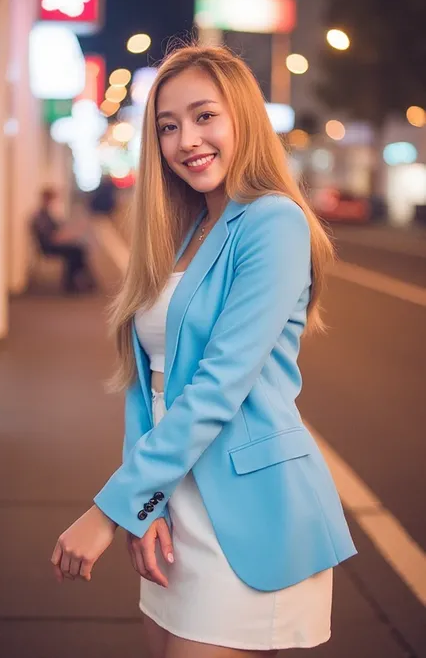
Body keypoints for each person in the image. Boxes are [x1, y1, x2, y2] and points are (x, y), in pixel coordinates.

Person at [51, 45, 356, 657]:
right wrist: (144, 503)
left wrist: (110, 510)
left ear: (242, 117)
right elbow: (146, 382)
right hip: (170, 500)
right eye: (168, 126)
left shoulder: (274, 223)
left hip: (248, 512)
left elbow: (218, 387)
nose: (186, 139)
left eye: (204, 116)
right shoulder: (188, 228)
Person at [31, 187, 95, 294]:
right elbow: (49, 236)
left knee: (78, 249)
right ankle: (75, 282)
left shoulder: (46, 214)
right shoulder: (40, 216)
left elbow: (57, 229)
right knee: (76, 251)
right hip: (49, 247)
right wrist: (62, 237)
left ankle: (76, 281)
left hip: (52, 244)